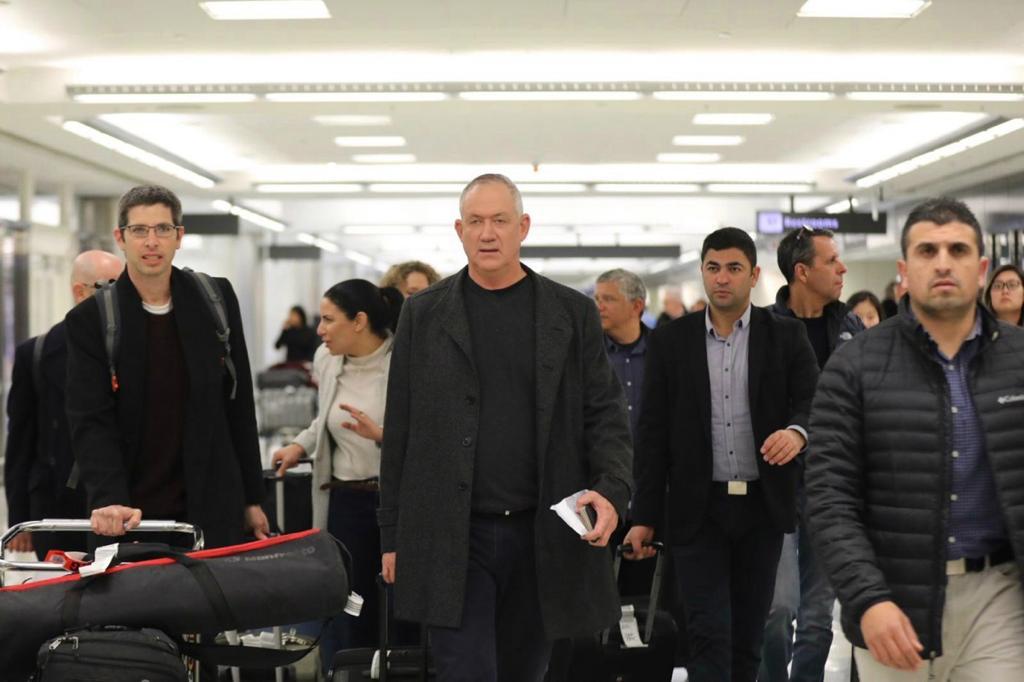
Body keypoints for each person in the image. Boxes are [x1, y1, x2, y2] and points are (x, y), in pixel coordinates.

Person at [378, 174, 633, 682]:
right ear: (459, 230)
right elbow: (400, 427)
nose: (487, 233)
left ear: (523, 227)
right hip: (452, 534)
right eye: (476, 221)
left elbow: (604, 412)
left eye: (500, 221)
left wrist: (612, 489)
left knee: (525, 670)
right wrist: (393, 535)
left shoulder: (571, 312)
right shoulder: (424, 315)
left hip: (541, 533)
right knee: (465, 671)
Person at [807, 197, 1024, 680]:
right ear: (905, 269)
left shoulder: (1018, 360)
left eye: (957, 250)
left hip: (999, 596)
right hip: (893, 598)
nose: (943, 262)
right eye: (928, 251)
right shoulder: (855, 365)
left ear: (981, 267)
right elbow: (829, 497)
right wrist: (866, 599)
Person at [625, 227, 819, 682]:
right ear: (703, 273)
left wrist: (797, 433)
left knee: (750, 634)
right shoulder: (672, 343)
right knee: (708, 633)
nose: (722, 279)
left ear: (753, 276)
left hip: (762, 508)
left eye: (734, 268)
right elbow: (652, 434)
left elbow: (814, 402)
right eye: (713, 268)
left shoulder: (785, 337)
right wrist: (644, 515)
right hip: (699, 510)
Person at [65, 185, 269, 548]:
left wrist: (253, 497)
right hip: (130, 510)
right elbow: (90, 420)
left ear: (179, 237)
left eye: (162, 229)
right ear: (121, 238)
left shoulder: (216, 301)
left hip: (213, 500)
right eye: (139, 231)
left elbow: (238, 405)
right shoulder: (91, 320)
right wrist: (109, 499)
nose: (151, 241)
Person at [273, 280, 403, 670]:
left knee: (396, 607)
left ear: (359, 321)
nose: (320, 329)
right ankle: (347, 673)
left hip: (393, 505)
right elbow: (325, 416)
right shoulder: (328, 360)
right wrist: (300, 445)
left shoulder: (404, 362)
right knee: (349, 605)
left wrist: (382, 436)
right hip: (344, 502)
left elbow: (431, 433)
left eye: (329, 319)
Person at [761, 225, 863, 682]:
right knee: (778, 608)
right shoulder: (763, 329)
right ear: (801, 272)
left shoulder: (851, 328)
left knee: (819, 616)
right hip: (775, 487)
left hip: (832, 489)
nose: (842, 269)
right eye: (831, 261)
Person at [4, 250, 123, 558]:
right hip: (56, 506)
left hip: (122, 502)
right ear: (79, 291)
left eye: (122, 287)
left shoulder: (134, 350)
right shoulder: (37, 354)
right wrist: (21, 520)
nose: (117, 297)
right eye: (107, 286)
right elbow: (20, 443)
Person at [595, 268, 648, 437]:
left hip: (653, 459)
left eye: (608, 299)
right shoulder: (589, 353)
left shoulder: (664, 351)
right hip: (605, 458)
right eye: (597, 299)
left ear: (637, 306)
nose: (599, 307)